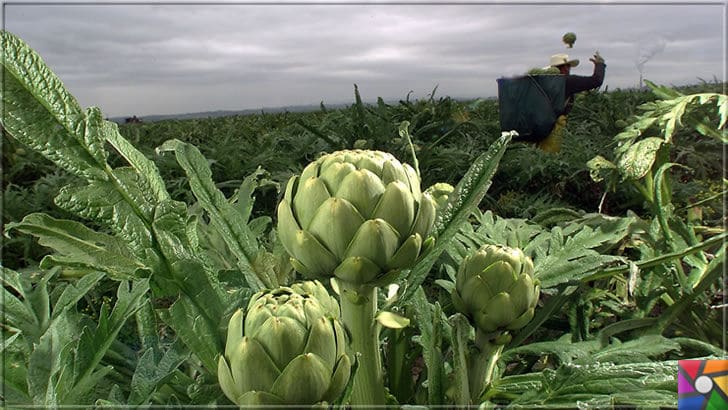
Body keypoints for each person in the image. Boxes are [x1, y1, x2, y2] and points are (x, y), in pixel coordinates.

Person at [538, 51, 606, 152]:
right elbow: (596, 81)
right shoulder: (567, 81)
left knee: (536, 156)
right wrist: (600, 65)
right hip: (553, 128)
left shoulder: (542, 82)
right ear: (565, 67)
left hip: (536, 127)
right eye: (568, 66)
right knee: (551, 158)